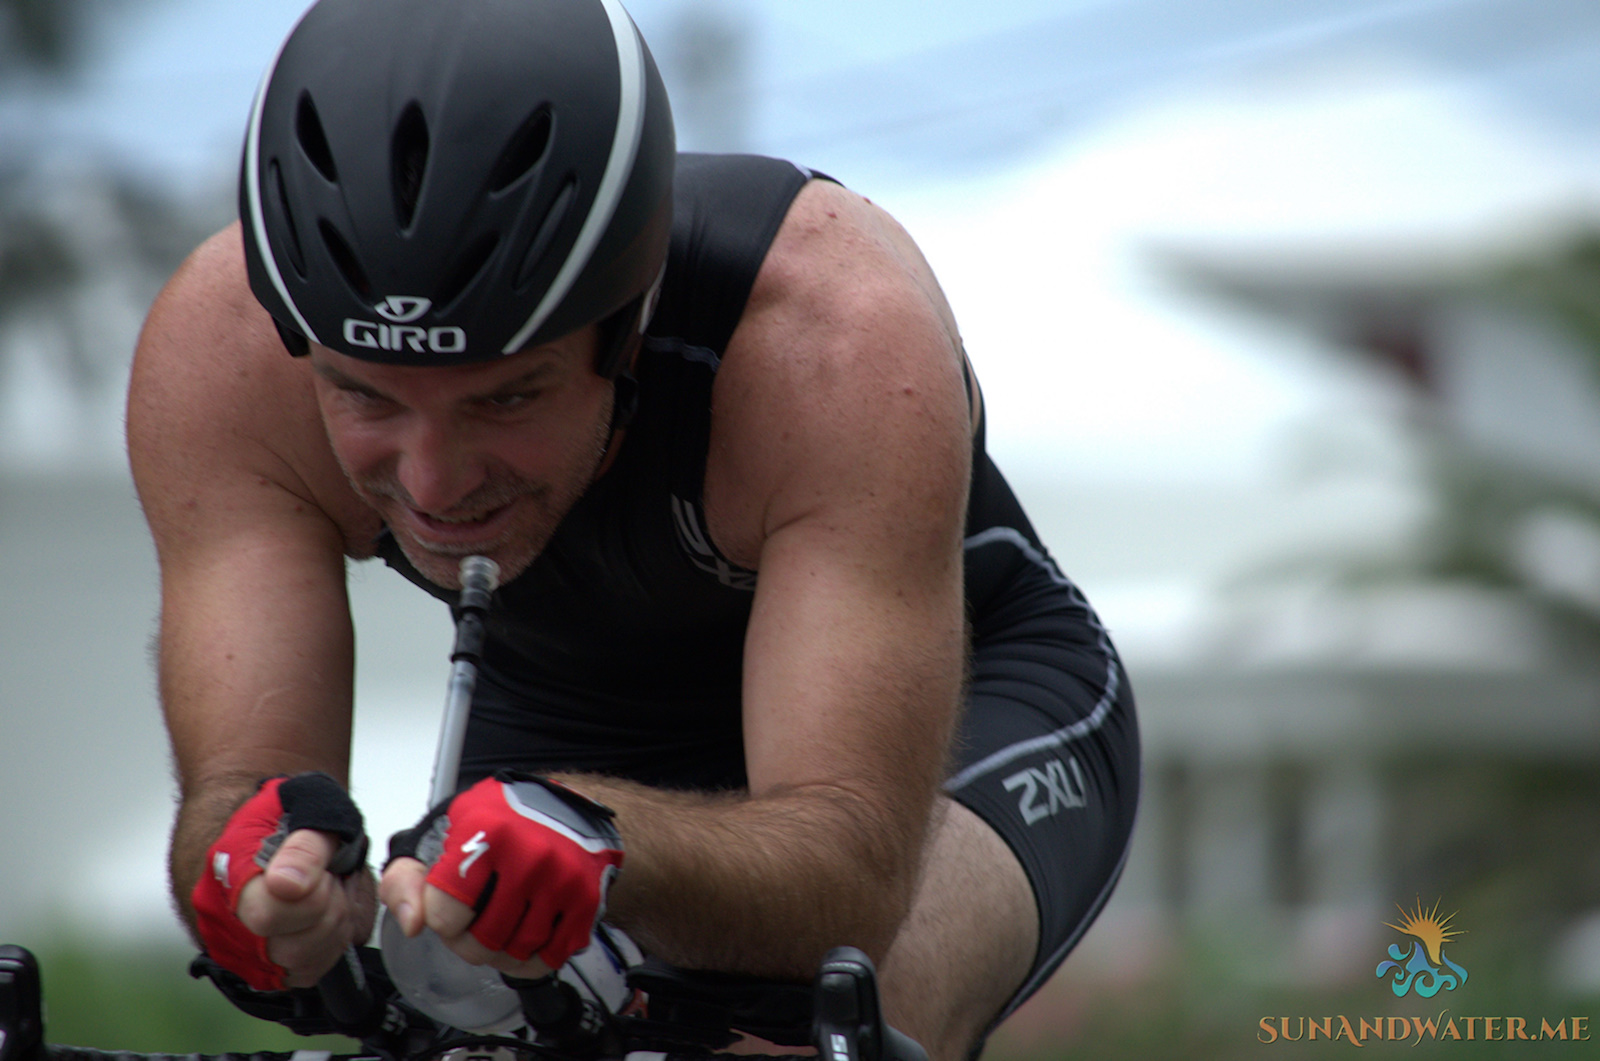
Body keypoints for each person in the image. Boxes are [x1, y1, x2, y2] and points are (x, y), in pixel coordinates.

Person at [126, 1, 1139, 1057]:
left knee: (822, 1021)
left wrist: (607, 837)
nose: (432, 481)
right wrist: (257, 878)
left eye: (506, 399)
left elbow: (847, 881)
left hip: (956, 720)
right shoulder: (225, 356)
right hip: (567, 733)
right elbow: (237, 798)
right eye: (366, 398)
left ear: (631, 321)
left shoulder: (829, 335)